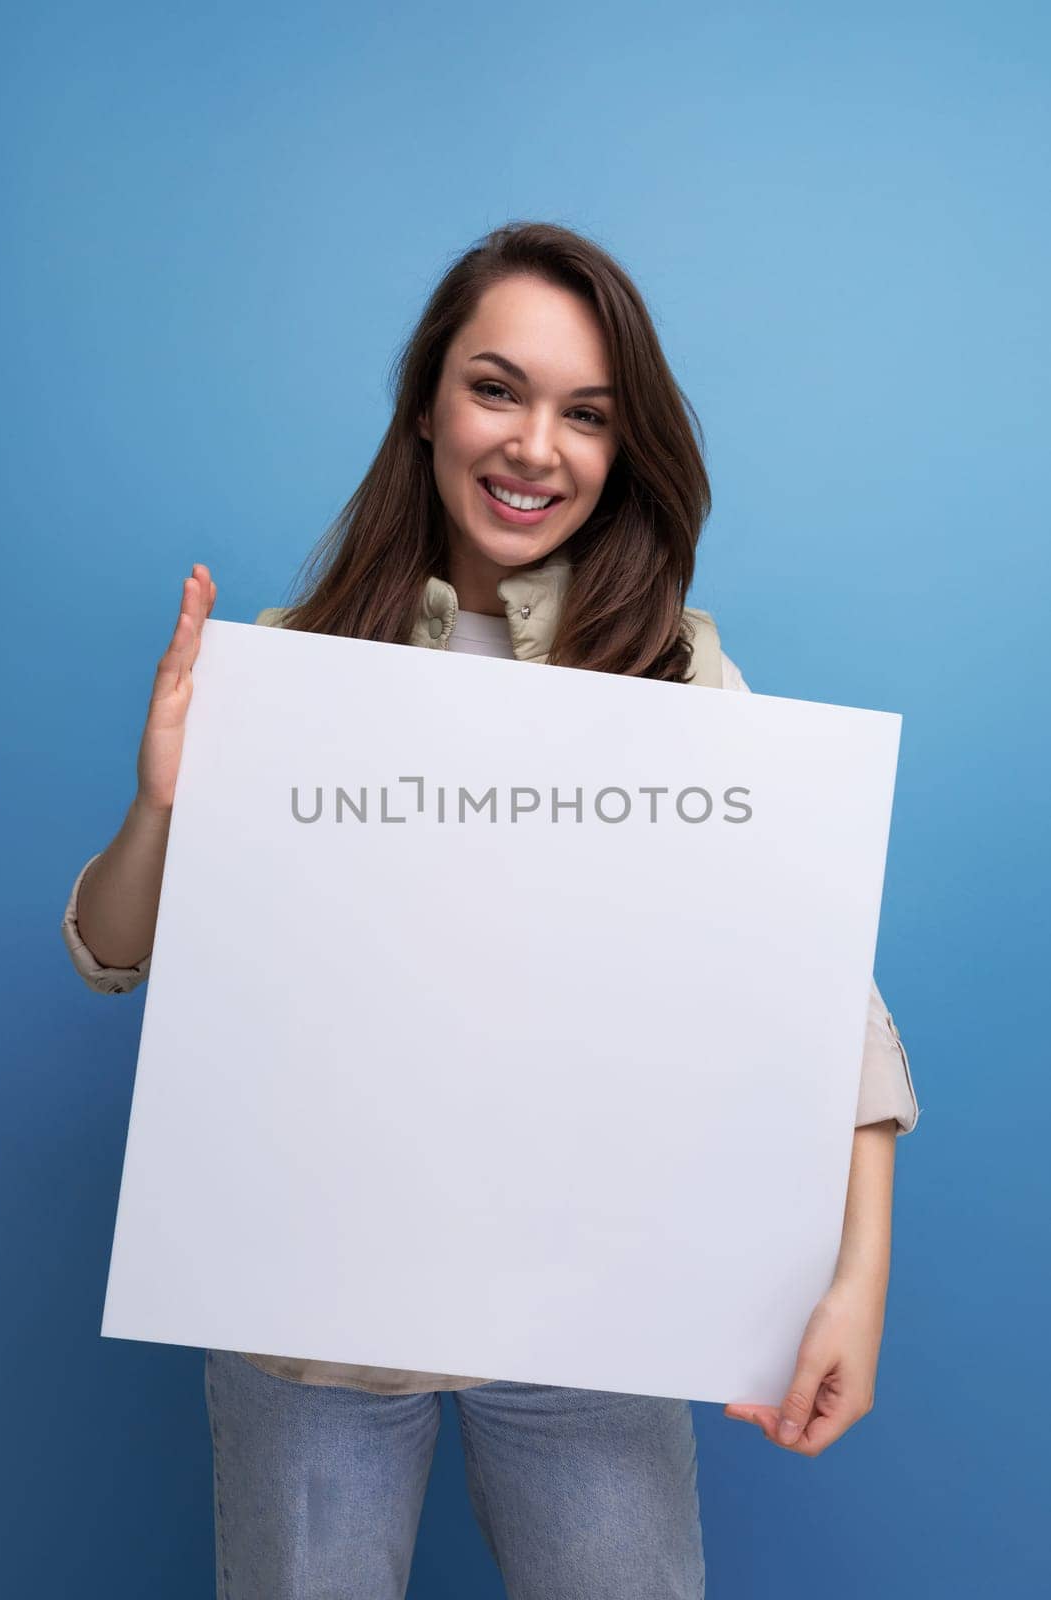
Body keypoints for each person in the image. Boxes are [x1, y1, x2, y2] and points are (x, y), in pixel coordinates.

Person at [61, 221, 920, 1600]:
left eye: (586, 414)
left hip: (590, 1312)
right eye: (497, 388)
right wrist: (165, 801)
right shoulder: (290, 664)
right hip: (307, 1326)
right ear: (425, 402)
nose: (538, 447)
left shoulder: (668, 672)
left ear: (620, 446)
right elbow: (115, 955)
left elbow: (814, 986)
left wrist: (856, 1276)